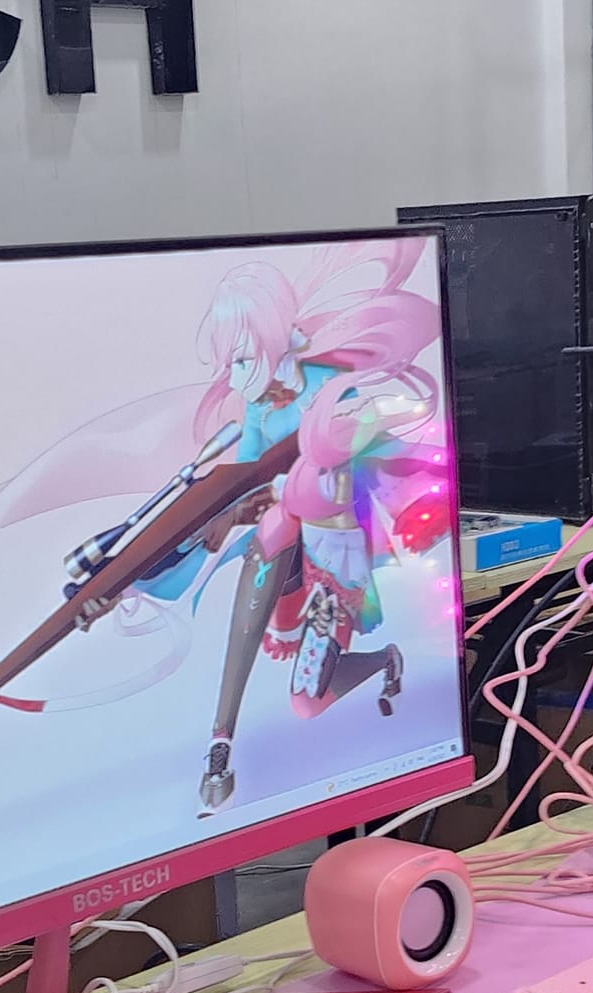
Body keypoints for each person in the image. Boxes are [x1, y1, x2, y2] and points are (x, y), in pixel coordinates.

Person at [181, 240, 450, 813]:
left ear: (274, 337)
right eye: (231, 363)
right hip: (283, 548)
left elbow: (379, 452)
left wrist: (411, 502)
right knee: (273, 528)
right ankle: (220, 740)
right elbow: (249, 475)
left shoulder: (333, 387)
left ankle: (382, 660)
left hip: (333, 553)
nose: (235, 376)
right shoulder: (259, 407)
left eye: (242, 358)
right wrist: (226, 511)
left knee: (307, 702)